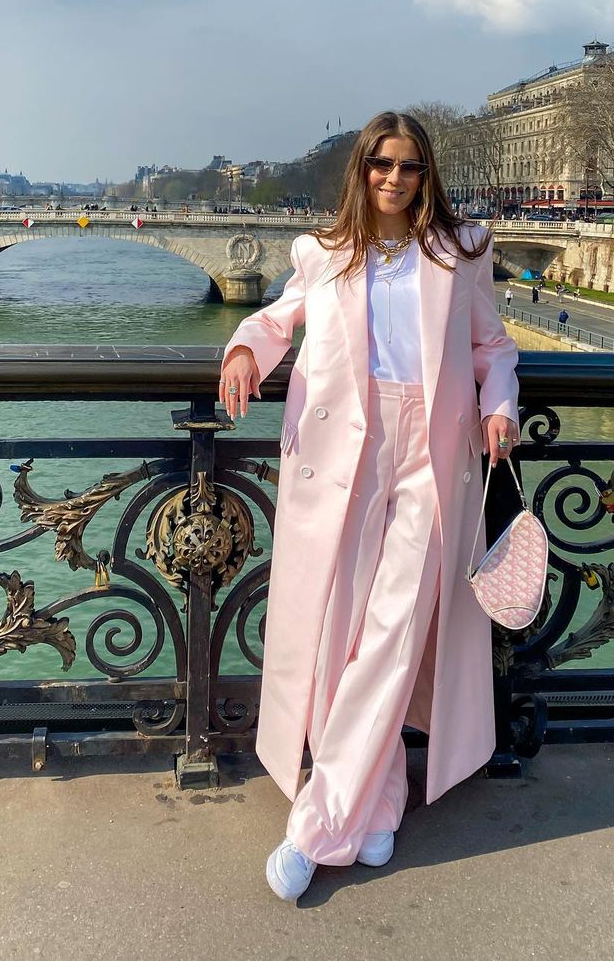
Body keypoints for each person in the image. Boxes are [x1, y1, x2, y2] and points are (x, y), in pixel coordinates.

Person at [219, 111, 519, 903]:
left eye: (410, 166)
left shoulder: (463, 250)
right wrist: (247, 350)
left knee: (394, 629)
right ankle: (379, 800)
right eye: (382, 164)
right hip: (344, 449)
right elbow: (280, 317)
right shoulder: (323, 252)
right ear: (363, 170)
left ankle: (318, 826)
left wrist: (502, 404)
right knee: (346, 628)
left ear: (427, 175)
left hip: (434, 447)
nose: (394, 178)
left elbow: (492, 345)